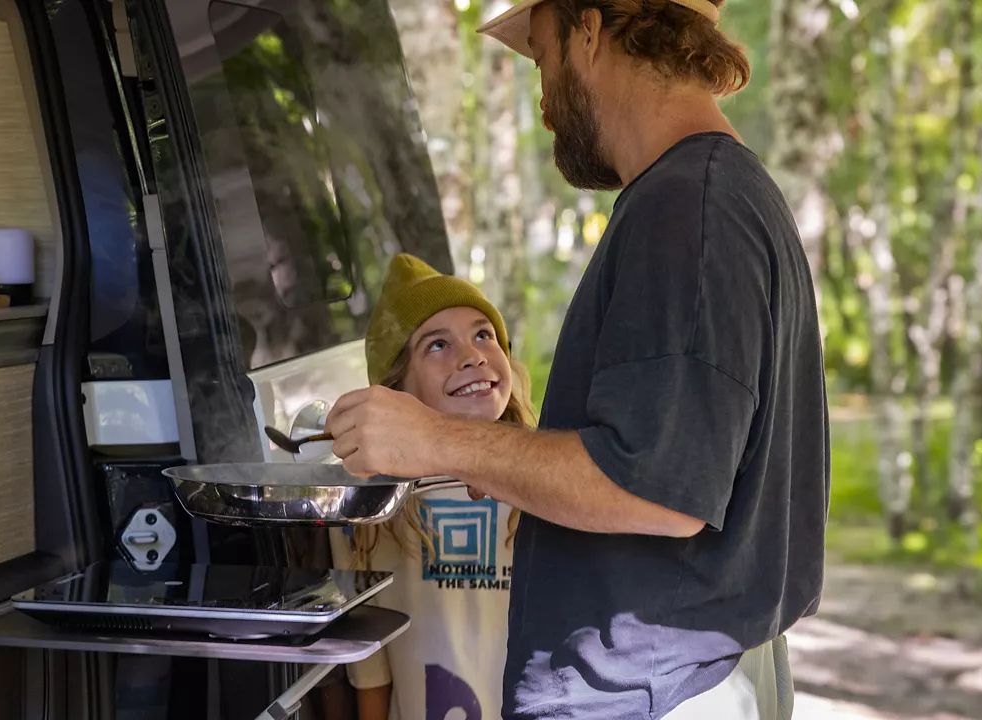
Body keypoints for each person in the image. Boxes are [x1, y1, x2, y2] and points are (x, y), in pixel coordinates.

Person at [324, 0, 829, 718]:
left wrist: (436, 440)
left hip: (651, 696)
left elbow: (656, 488)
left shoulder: (686, 210)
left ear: (587, 29)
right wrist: (504, 459)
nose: (543, 105)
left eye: (541, 58)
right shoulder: (710, 195)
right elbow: (663, 457)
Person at [331, 253, 536, 720]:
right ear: (395, 390)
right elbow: (371, 672)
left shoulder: (543, 485)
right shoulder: (367, 508)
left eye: (484, 334)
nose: (473, 355)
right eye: (437, 345)